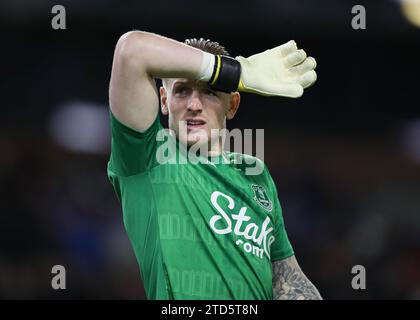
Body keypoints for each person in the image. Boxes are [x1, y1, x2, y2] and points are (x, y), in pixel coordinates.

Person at [107, 30, 322, 300]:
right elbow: (132, 50)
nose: (194, 105)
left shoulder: (255, 174)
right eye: (182, 91)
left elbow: (287, 278)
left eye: (209, 92)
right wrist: (236, 72)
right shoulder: (147, 157)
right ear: (164, 101)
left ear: (232, 105)